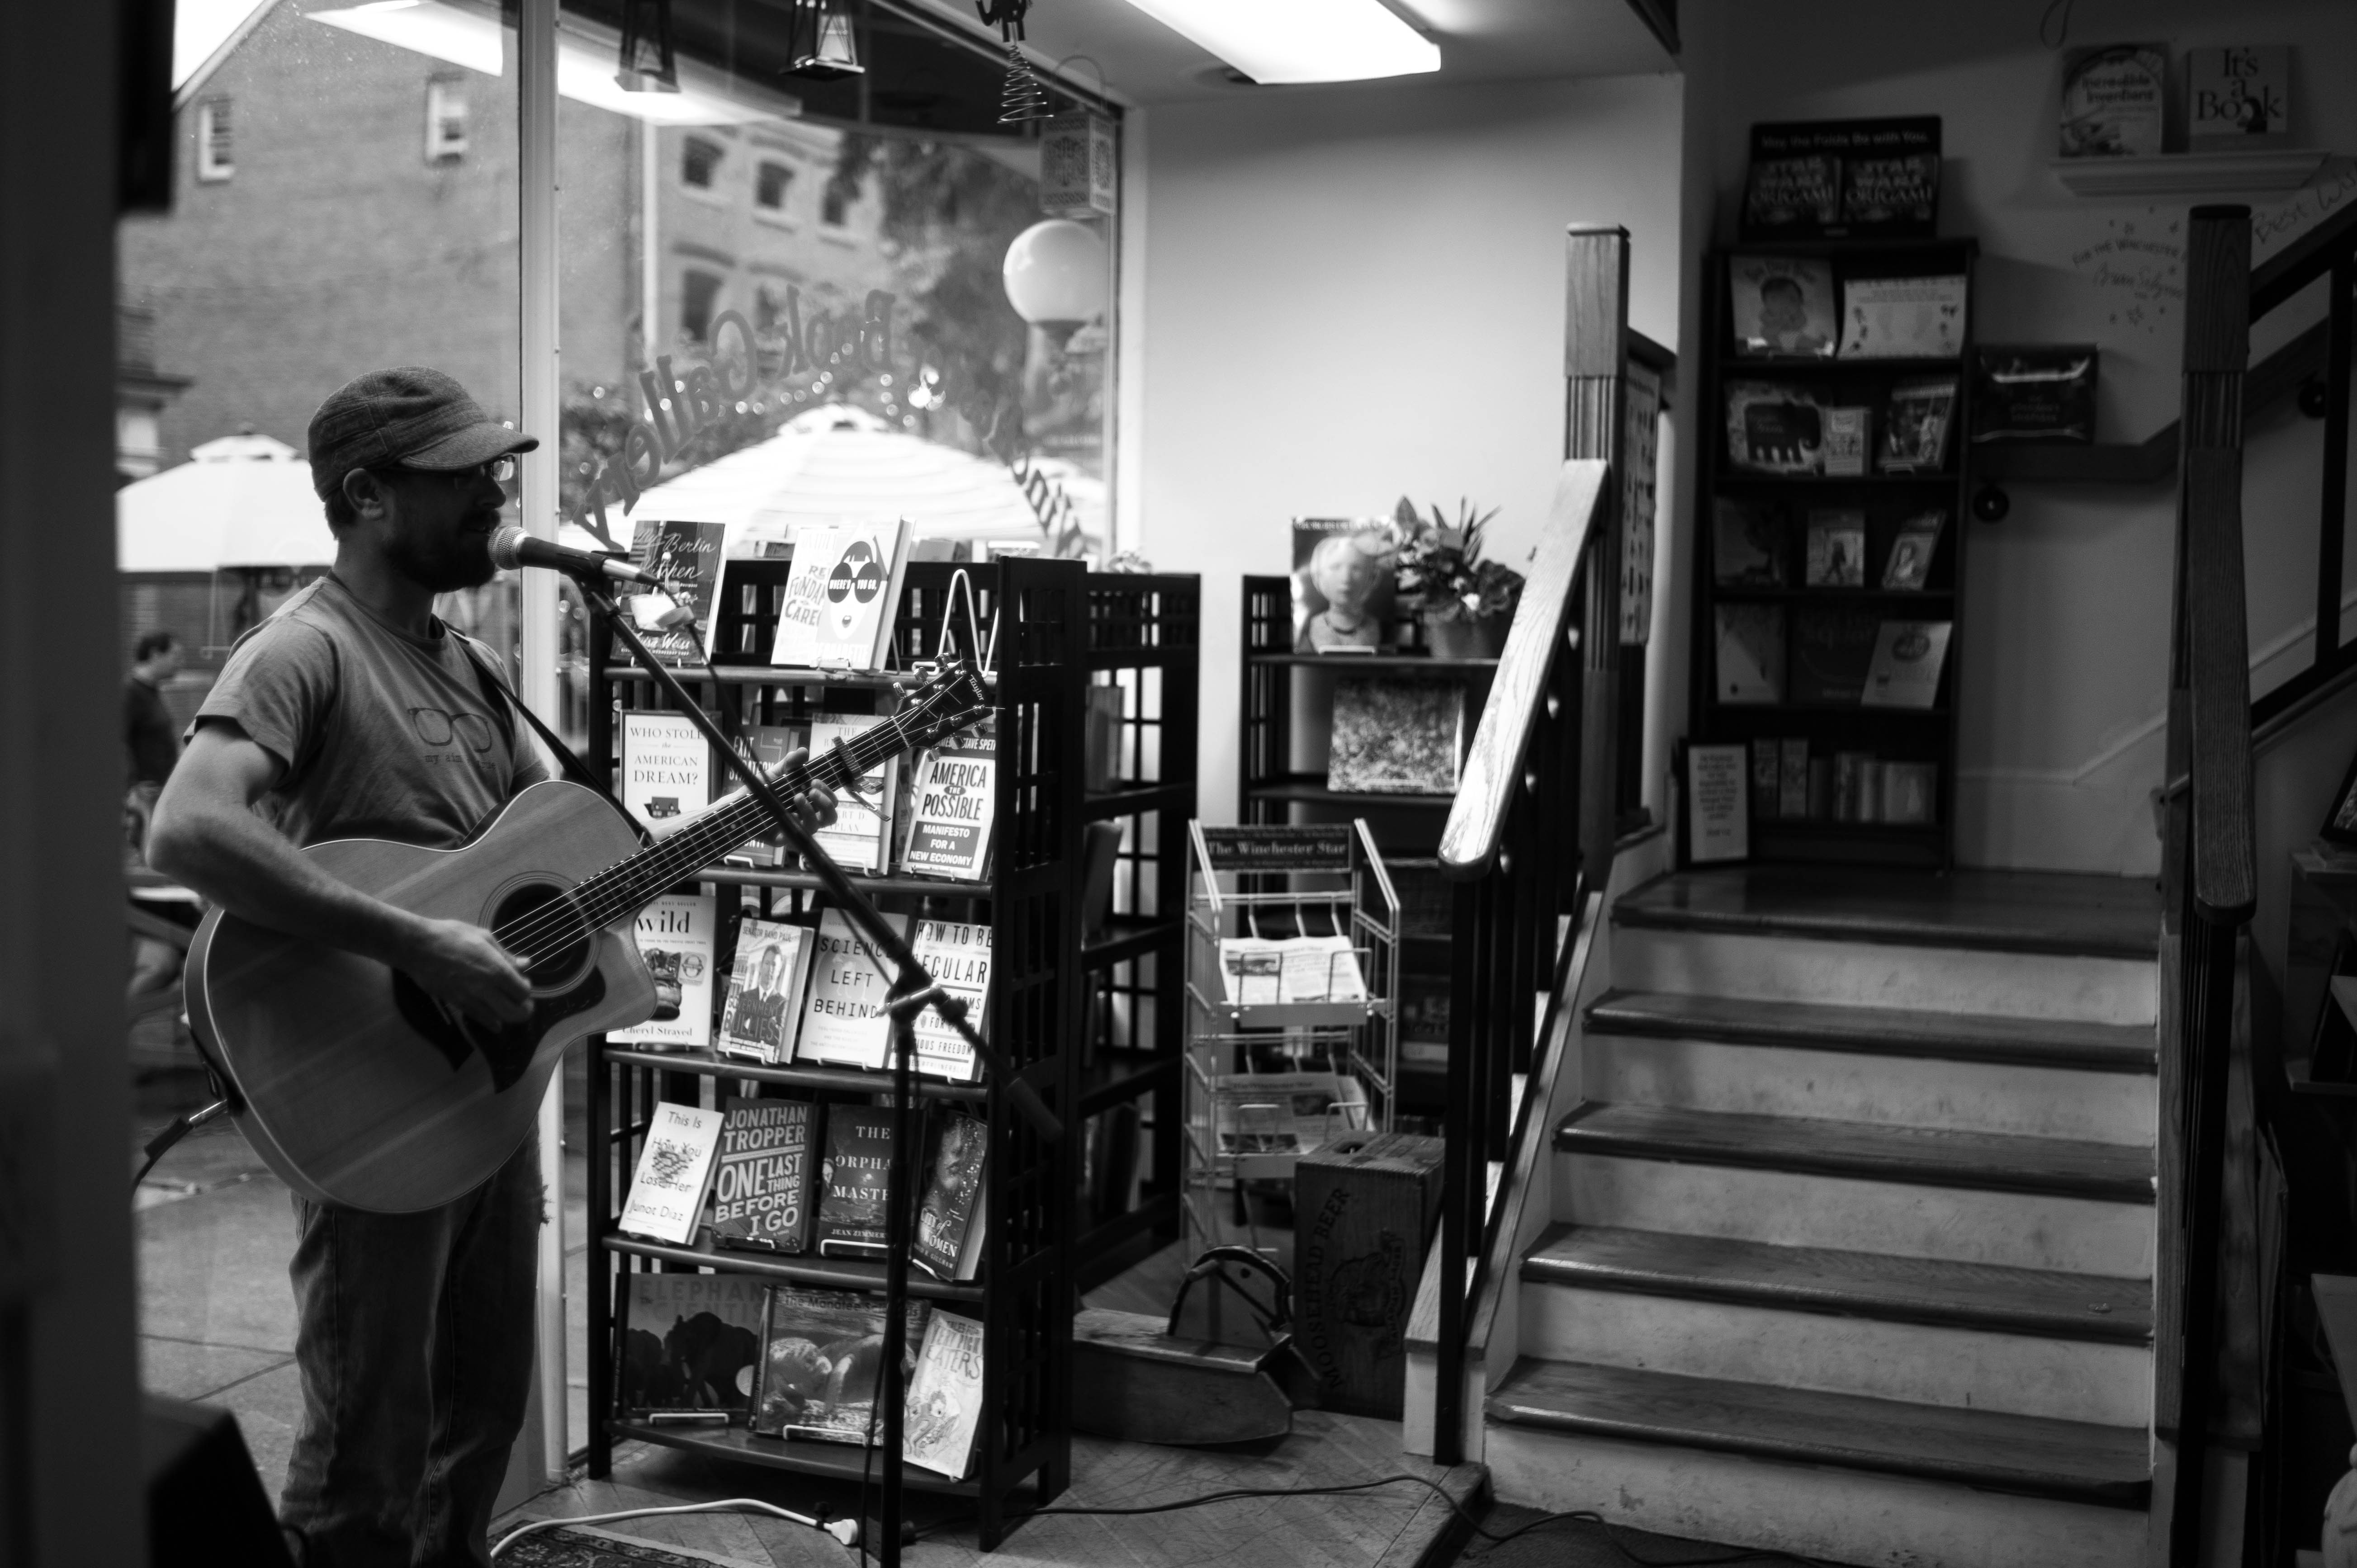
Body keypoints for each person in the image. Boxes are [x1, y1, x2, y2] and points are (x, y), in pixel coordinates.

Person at [147, 367, 833, 1568]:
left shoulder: (467, 664)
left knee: (481, 1411)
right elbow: (189, 829)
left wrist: (749, 815)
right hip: (370, 1091)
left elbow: (561, 870)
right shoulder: (304, 651)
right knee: (367, 1444)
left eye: (494, 472)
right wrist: (418, 941)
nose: (496, 494)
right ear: (368, 494)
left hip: (486, 1088)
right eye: (461, 475)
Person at [123, 628, 184, 834]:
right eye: (175, 656)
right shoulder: (130, 692)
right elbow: (117, 742)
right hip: (143, 799)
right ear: (156, 655)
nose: (180, 663)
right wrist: (132, 786)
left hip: (159, 793)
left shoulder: (151, 692)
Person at [1294, 532, 1388, 652]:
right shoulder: (1309, 628)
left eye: (1356, 568)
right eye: (1336, 567)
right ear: (1319, 574)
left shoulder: (1379, 628)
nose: (1346, 579)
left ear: (1372, 577)